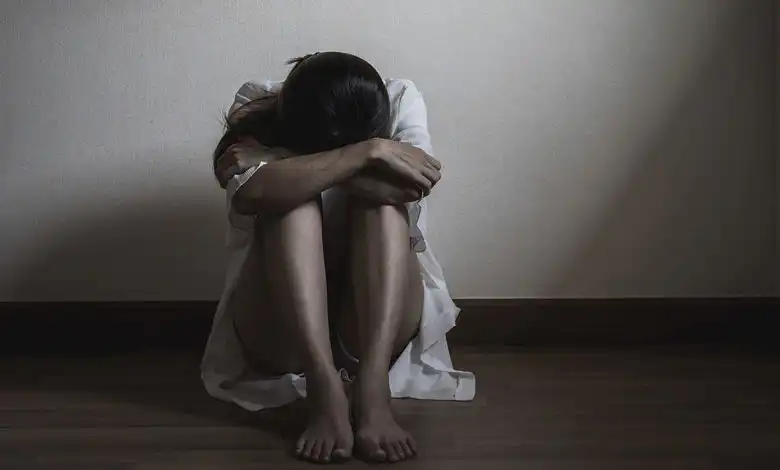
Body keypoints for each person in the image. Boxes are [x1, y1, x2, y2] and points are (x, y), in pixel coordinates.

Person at [202, 51, 475, 464]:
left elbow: (407, 188)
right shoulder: (257, 100)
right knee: (288, 203)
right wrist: (370, 154)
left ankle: (373, 387)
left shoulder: (399, 97)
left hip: (371, 330)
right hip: (281, 333)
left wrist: (282, 161)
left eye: (369, 143)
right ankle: (323, 387)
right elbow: (252, 194)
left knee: (382, 208)